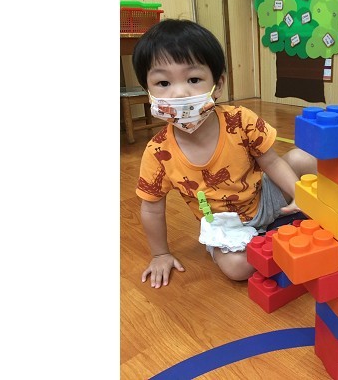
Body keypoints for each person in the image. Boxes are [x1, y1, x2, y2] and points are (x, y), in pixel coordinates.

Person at [132, 19, 317, 288]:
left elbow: (272, 161)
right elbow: (151, 208)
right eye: (163, 82)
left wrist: (299, 193)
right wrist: (160, 254)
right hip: (226, 226)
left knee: (303, 158)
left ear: (217, 85)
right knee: (237, 268)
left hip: (264, 198)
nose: (179, 93)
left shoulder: (241, 120)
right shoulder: (158, 152)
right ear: (148, 92)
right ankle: (280, 234)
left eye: (193, 79)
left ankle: (295, 217)